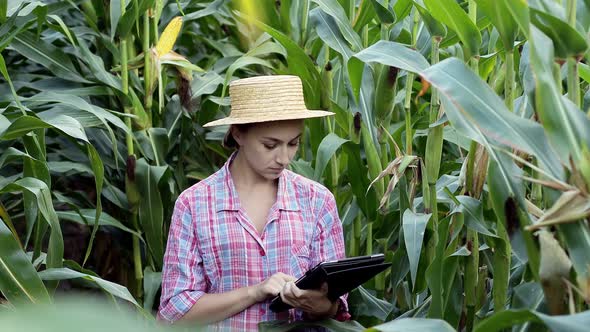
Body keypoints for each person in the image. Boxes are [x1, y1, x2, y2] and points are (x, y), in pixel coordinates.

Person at [157, 75, 350, 331]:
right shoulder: (194, 204)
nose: (284, 158)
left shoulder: (317, 200)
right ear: (238, 133)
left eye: (293, 143)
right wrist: (255, 292)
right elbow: (174, 312)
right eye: (270, 145)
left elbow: (336, 306)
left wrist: (320, 305)